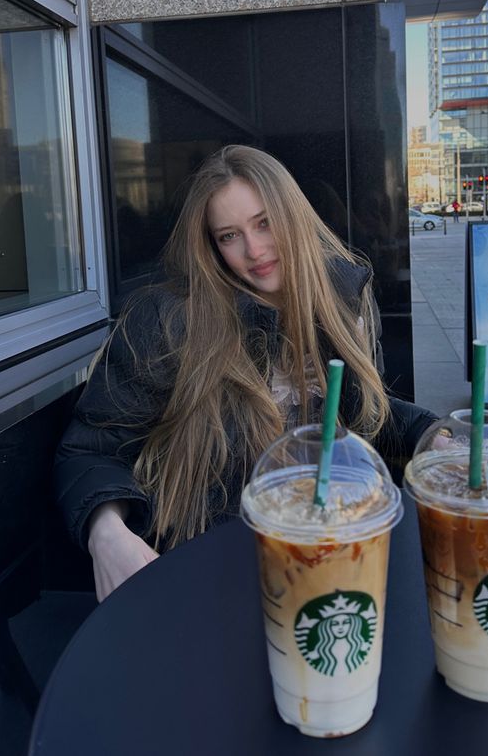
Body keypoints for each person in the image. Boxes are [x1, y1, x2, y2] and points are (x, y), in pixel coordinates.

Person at [55, 145, 436, 601]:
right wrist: (106, 534)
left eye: (264, 222)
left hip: (324, 558)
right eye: (229, 236)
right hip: (212, 573)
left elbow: (359, 415)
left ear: (291, 215)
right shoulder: (169, 321)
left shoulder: (342, 303)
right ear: (211, 246)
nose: (254, 251)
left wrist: (431, 434)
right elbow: (92, 447)